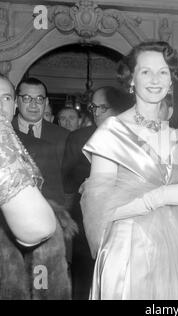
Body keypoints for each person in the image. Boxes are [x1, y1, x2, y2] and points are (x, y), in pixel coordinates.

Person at [80, 41, 178, 300]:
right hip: (130, 254)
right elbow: (98, 212)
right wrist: (162, 197)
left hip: (177, 254)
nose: (155, 79)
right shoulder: (111, 131)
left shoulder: (176, 136)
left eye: (163, 72)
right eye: (145, 72)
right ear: (131, 80)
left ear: (171, 80)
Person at [0, 74, 75, 300]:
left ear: (12, 104)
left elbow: (65, 192)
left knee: (39, 290)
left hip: (43, 245)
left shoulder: (49, 141)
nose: (33, 104)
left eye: (4, 98)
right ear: (19, 103)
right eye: (27, 98)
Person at [62, 86, 130, 299]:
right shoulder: (78, 137)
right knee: (85, 279)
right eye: (94, 107)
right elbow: (67, 183)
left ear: (118, 109)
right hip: (86, 222)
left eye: (103, 107)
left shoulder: (134, 138)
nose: (96, 112)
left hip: (125, 220)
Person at [12, 77, 69, 167]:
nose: (33, 105)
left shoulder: (63, 136)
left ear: (46, 102)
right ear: (16, 101)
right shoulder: (5, 131)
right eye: (26, 98)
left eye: (39, 99)